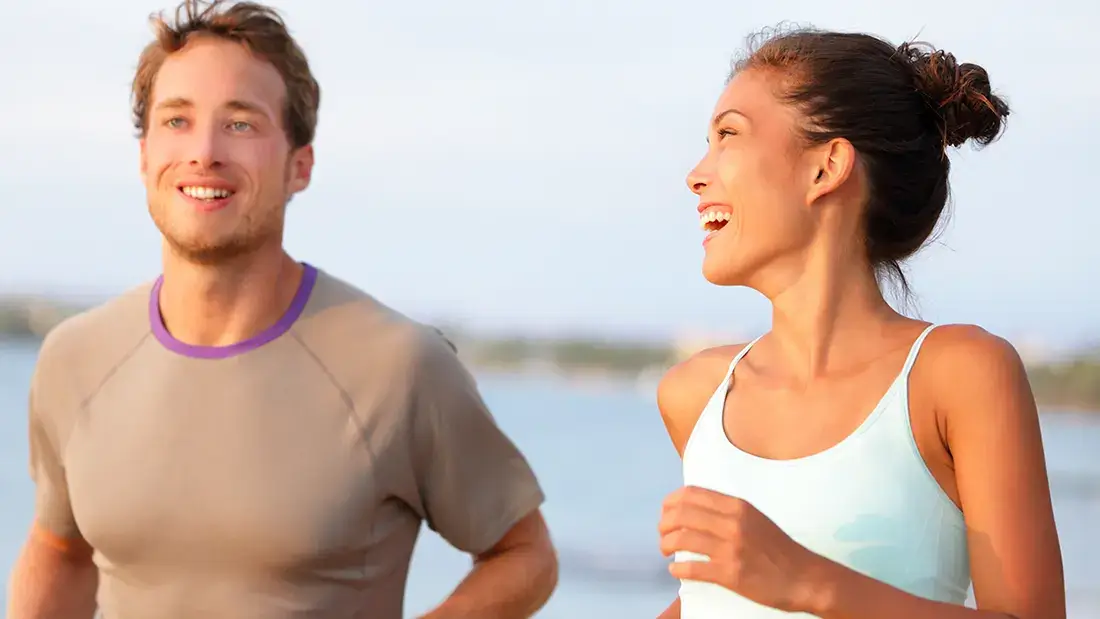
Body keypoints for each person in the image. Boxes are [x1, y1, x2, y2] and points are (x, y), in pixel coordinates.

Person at [5, 1, 557, 618]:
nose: (205, 152)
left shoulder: (400, 367)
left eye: (240, 124)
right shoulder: (74, 358)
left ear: (301, 166)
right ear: (143, 157)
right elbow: (58, 549)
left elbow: (525, 554)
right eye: (177, 120)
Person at [654, 27, 1065, 619]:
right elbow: (711, 599)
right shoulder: (694, 395)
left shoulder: (958, 375)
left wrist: (809, 583)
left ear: (827, 167)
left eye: (728, 137)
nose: (696, 174)